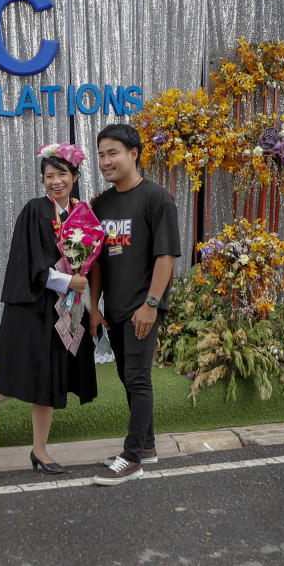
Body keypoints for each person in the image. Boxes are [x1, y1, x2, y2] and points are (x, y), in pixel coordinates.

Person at [0, 143, 98, 473]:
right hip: (33, 306)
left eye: (62, 174)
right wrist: (66, 281)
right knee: (26, 373)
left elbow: (84, 259)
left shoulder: (81, 214)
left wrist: (80, 280)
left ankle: (40, 451)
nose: (55, 181)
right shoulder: (35, 210)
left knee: (51, 381)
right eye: (48, 175)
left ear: (75, 175)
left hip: (64, 308)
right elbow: (28, 264)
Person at [88, 123, 180, 486]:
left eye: (113, 153)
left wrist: (152, 304)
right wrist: (94, 307)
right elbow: (95, 261)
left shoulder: (157, 198)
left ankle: (131, 458)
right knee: (129, 379)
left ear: (133, 154)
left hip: (143, 307)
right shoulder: (100, 204)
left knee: (139, 379)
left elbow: (166, 255)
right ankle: (147, 447)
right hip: (114, 309)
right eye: (101, 155)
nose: (106, 161)